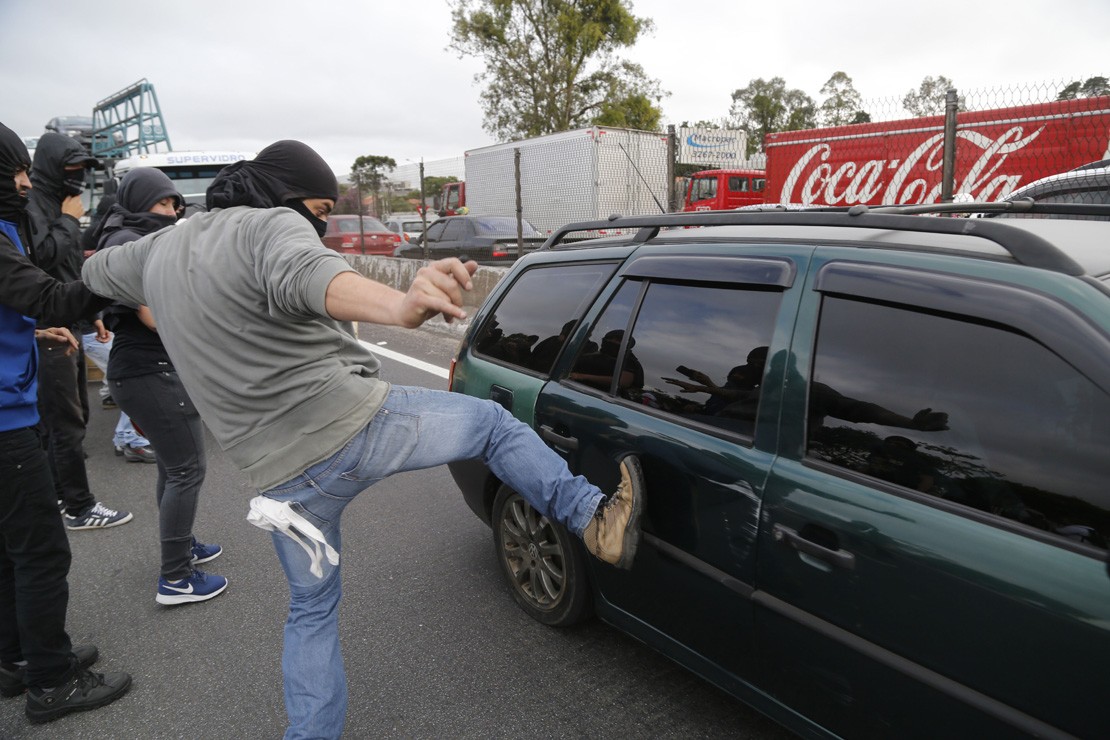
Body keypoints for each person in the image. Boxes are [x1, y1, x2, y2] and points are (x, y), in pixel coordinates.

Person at [83, 140, 644, 739]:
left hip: (280, 483)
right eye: (321, 210)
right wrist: (400, 305)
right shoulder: (272, 225)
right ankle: (592, 519)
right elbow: (311, 273)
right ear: (286, 195)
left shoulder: (157, 251)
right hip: (350, 429)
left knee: (311, 612)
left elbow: (90, 270)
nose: (321, 225)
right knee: (492, 424)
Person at [0, 122, 132, 723]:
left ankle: (17, 658)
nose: (25, 183)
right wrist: (122, 272)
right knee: (41, 551)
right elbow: (49, 294)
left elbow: (25, 302)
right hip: (6, 422)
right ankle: (51, 682)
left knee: (11, 550)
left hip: (11, 406)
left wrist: (30, 332)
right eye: (14, 171)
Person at [93, 167, 226, 605]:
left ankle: (182, 547)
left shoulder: (129, 238)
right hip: (150, 371)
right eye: (163, 202)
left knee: (173, 468)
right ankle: (176, 578)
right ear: (137, 201)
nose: (171, 211)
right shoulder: (129, 243)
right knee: (188, 469)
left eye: (174, 204)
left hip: (144, 370)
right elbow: (152, 316)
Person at [26, 132, 132, 529]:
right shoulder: (33, 205)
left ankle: (57, 493)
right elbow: (41, 258)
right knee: (64, 423)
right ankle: (79, 507)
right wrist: (70, 219)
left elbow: (68, 270)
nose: (79, 176)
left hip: (69, 323)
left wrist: (92, 315)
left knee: (72, 417)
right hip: (47, 330)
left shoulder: (56, 201)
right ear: (51, 166)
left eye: (84, 168)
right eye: (71, 167)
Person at [79, 321, 156, 462]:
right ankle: (132, 440)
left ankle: (124, 437)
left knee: (132, 379)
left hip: (100, 332)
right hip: (93, 334)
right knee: (135, 380)